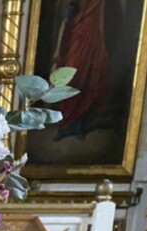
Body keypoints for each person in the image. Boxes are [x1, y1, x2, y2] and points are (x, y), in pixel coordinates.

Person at [52, 0, 111, 137]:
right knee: (72, 80)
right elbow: (65, 23)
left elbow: (104, 25)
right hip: (76, 42)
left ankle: (79, 126)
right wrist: (58, 51)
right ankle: (65, 124)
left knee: (88, 82)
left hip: (93, 46)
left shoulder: (100, 5)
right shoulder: (74, 7)